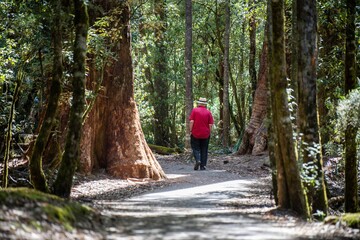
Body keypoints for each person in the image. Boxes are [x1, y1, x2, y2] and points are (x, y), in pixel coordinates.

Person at [189, 97, 214, 170]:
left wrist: (191, 130)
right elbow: (210, 125)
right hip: (205, 134)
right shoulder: (208, 112)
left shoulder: (195, 110)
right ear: (205, 104)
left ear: (199, 103)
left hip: (195, 133)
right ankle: (203, 166)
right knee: (204, 149)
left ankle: (198, 160)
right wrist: (209, 132)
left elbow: (191, 121)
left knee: (195, 148)